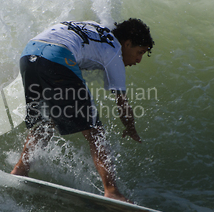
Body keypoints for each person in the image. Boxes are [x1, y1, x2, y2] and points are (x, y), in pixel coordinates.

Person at [10, 19, 154, 201]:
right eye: (139, 52)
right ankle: (112, 191)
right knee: (95, 131)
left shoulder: (95, 28)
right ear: (127, 44)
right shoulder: (115, 50)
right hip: (57, 56)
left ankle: (20, 170)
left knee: (46, 122)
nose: (139, 59)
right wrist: (130, 127)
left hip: (29, 54)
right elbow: (121, 102)